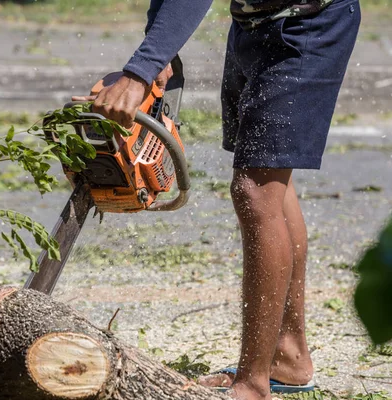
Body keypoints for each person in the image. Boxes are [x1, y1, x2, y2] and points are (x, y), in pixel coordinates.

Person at [74, 0, 360, 398]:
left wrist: (139, 71)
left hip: (308, 24)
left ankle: (252, 385)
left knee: (255, 191)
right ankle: (288, 357)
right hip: (253, 24)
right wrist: (160, 50)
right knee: (270, 177)